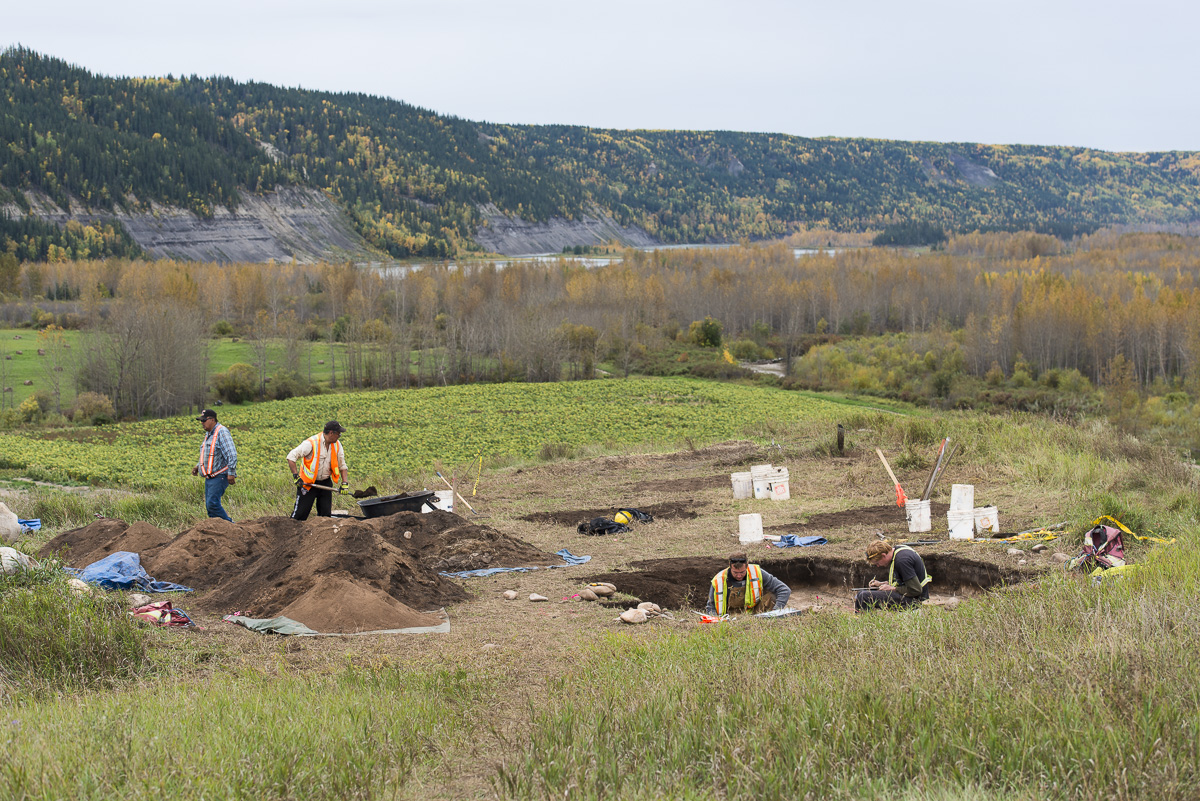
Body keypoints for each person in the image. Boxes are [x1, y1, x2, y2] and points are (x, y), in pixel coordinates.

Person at [287, 420, 350, 521]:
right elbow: (291, 457)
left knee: (325, 517)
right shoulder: (311, 443)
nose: (339, 436)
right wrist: (296, 476)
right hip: (308, 484)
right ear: (331, 433)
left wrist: (345, 483)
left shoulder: (337, 445)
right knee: (300, 515)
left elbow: (342, 465)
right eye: (338, 434)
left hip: (325, 484)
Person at [855, 541, 932, 612]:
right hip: (909, 596)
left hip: (913, 600)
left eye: (877, 563)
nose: (878, 566)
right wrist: (881, 584)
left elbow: (916, 590)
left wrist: (892, 588)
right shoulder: (897, 552)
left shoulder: (902, 561)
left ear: (883, 555)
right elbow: (903, 581)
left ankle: (865, 623)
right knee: (860, 594)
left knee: (864, 596)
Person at [705, 552, 791, 615]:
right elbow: (710, 607)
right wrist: (716, 621)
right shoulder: (718, 580)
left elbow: (784, 590)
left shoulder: (757, 572)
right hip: (729, 616)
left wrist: (776, 612)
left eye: (742, 572)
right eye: (735, 572)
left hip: (755, 613)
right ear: (729, 566)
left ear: (747, 565)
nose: (739, 576)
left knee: (772, 597)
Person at [191, 409, 237, 522]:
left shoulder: (222, 432)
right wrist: (198, 466)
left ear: (212, 420)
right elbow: (209, 454)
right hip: (210, 477)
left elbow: (231, 454)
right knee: (210, 506)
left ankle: (230, 526)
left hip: (219, 475)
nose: (202, 423)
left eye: (204, 420)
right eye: (201, 421)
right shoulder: (209, 434)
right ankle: (219, 529)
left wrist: (231, 473)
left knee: (212, 504)